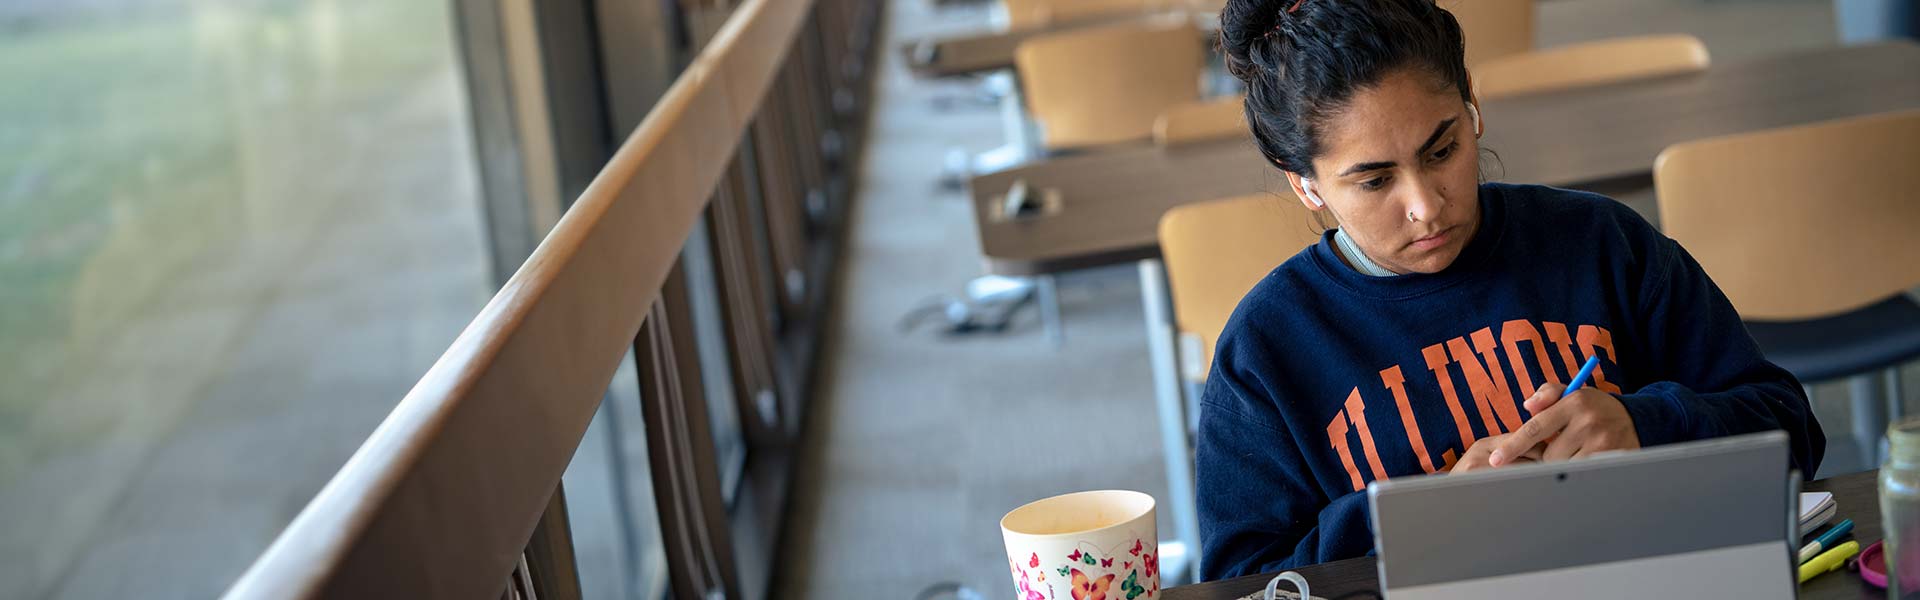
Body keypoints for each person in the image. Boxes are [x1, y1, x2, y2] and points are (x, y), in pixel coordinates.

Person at [1195, 0, 1827, 581]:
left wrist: (1646, 424)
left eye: (1443, 150)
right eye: (1374, 181)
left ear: (1474, 108)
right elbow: (1242, 583)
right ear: (1305, 185)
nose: (1426, 206)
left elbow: (1791, 428)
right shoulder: (1267, 349)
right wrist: (1413, 515)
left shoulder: (1600, 243)